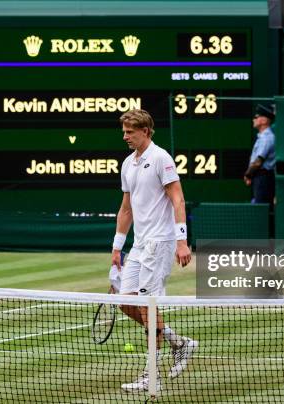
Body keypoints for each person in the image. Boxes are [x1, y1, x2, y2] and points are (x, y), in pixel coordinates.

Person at [112, 109, 197, 393]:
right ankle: (179, 343)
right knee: (125, 302)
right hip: (138, 245)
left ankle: (152, 375)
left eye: (130, 132)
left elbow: (178, 199)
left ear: (146, 131)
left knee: (148, 307)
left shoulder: (161, 158)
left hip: (160, 243)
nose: (125, 136)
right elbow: (126, 209)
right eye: (124, 132)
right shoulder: (127, 164)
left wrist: (181, 241)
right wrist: (117, 247)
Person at [244, 104, 276, 204]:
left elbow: (258, 161)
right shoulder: (263, 137)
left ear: (264, 121)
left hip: (264, 179)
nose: (253, 119)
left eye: (256, 117)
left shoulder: (267, 138)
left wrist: (248, 174)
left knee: (261, 209)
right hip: (260, 177)